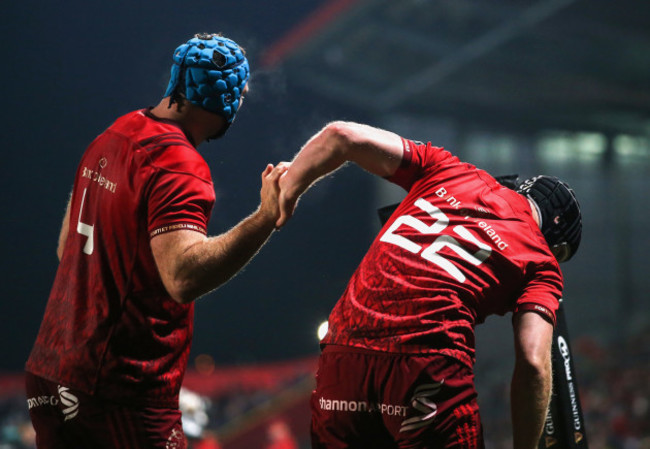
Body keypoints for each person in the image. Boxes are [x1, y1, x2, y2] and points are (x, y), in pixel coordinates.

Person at [25, 33, 289, 449]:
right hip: (118, 389)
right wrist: (265, 218)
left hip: (51, 371)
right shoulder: (180, 165)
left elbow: (66, 249)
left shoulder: (116, 132)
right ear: (229, 99)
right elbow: (182, 278)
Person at [276, 121, 582, 449]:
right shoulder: (542, 260)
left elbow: (341, 136)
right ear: (558, 246)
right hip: (426, 363)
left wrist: (289, 189)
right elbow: (534, 364)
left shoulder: (449, 168)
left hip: (344, 351)